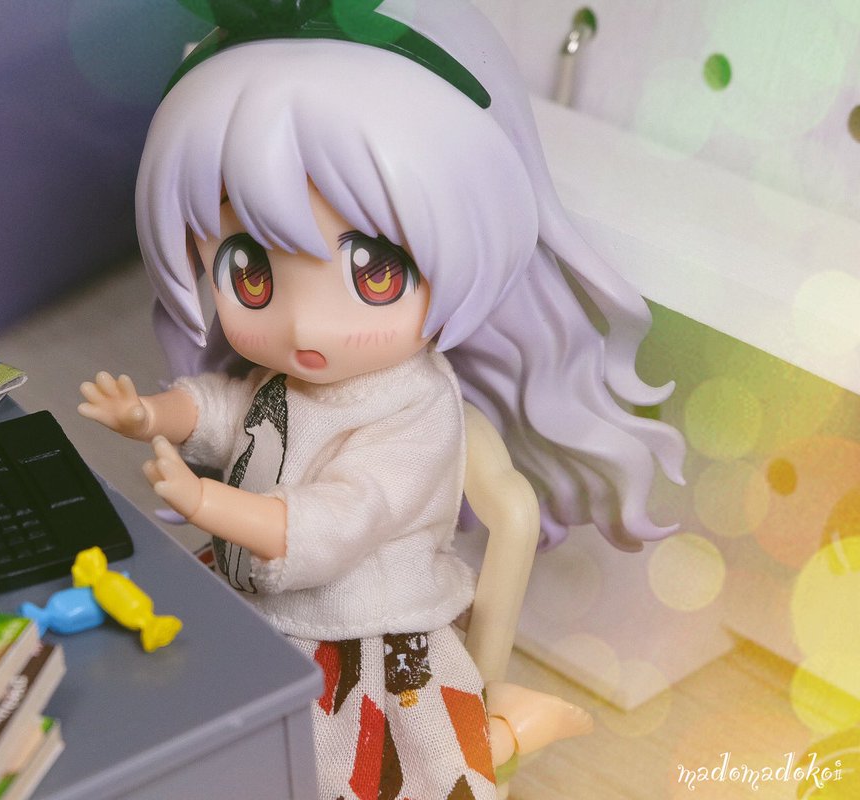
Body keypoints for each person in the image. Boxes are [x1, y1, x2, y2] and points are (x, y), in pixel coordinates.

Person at [80, 2, 684, 797]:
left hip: (359, 641)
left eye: (373, 273)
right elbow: (238, 412)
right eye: (250, 274)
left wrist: (206, 502)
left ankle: (505, 729)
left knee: (354, 775)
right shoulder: (292, 377)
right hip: (259, 601)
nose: (305, 325)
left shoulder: (413, 412)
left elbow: (336, 520)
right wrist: (152, 415)